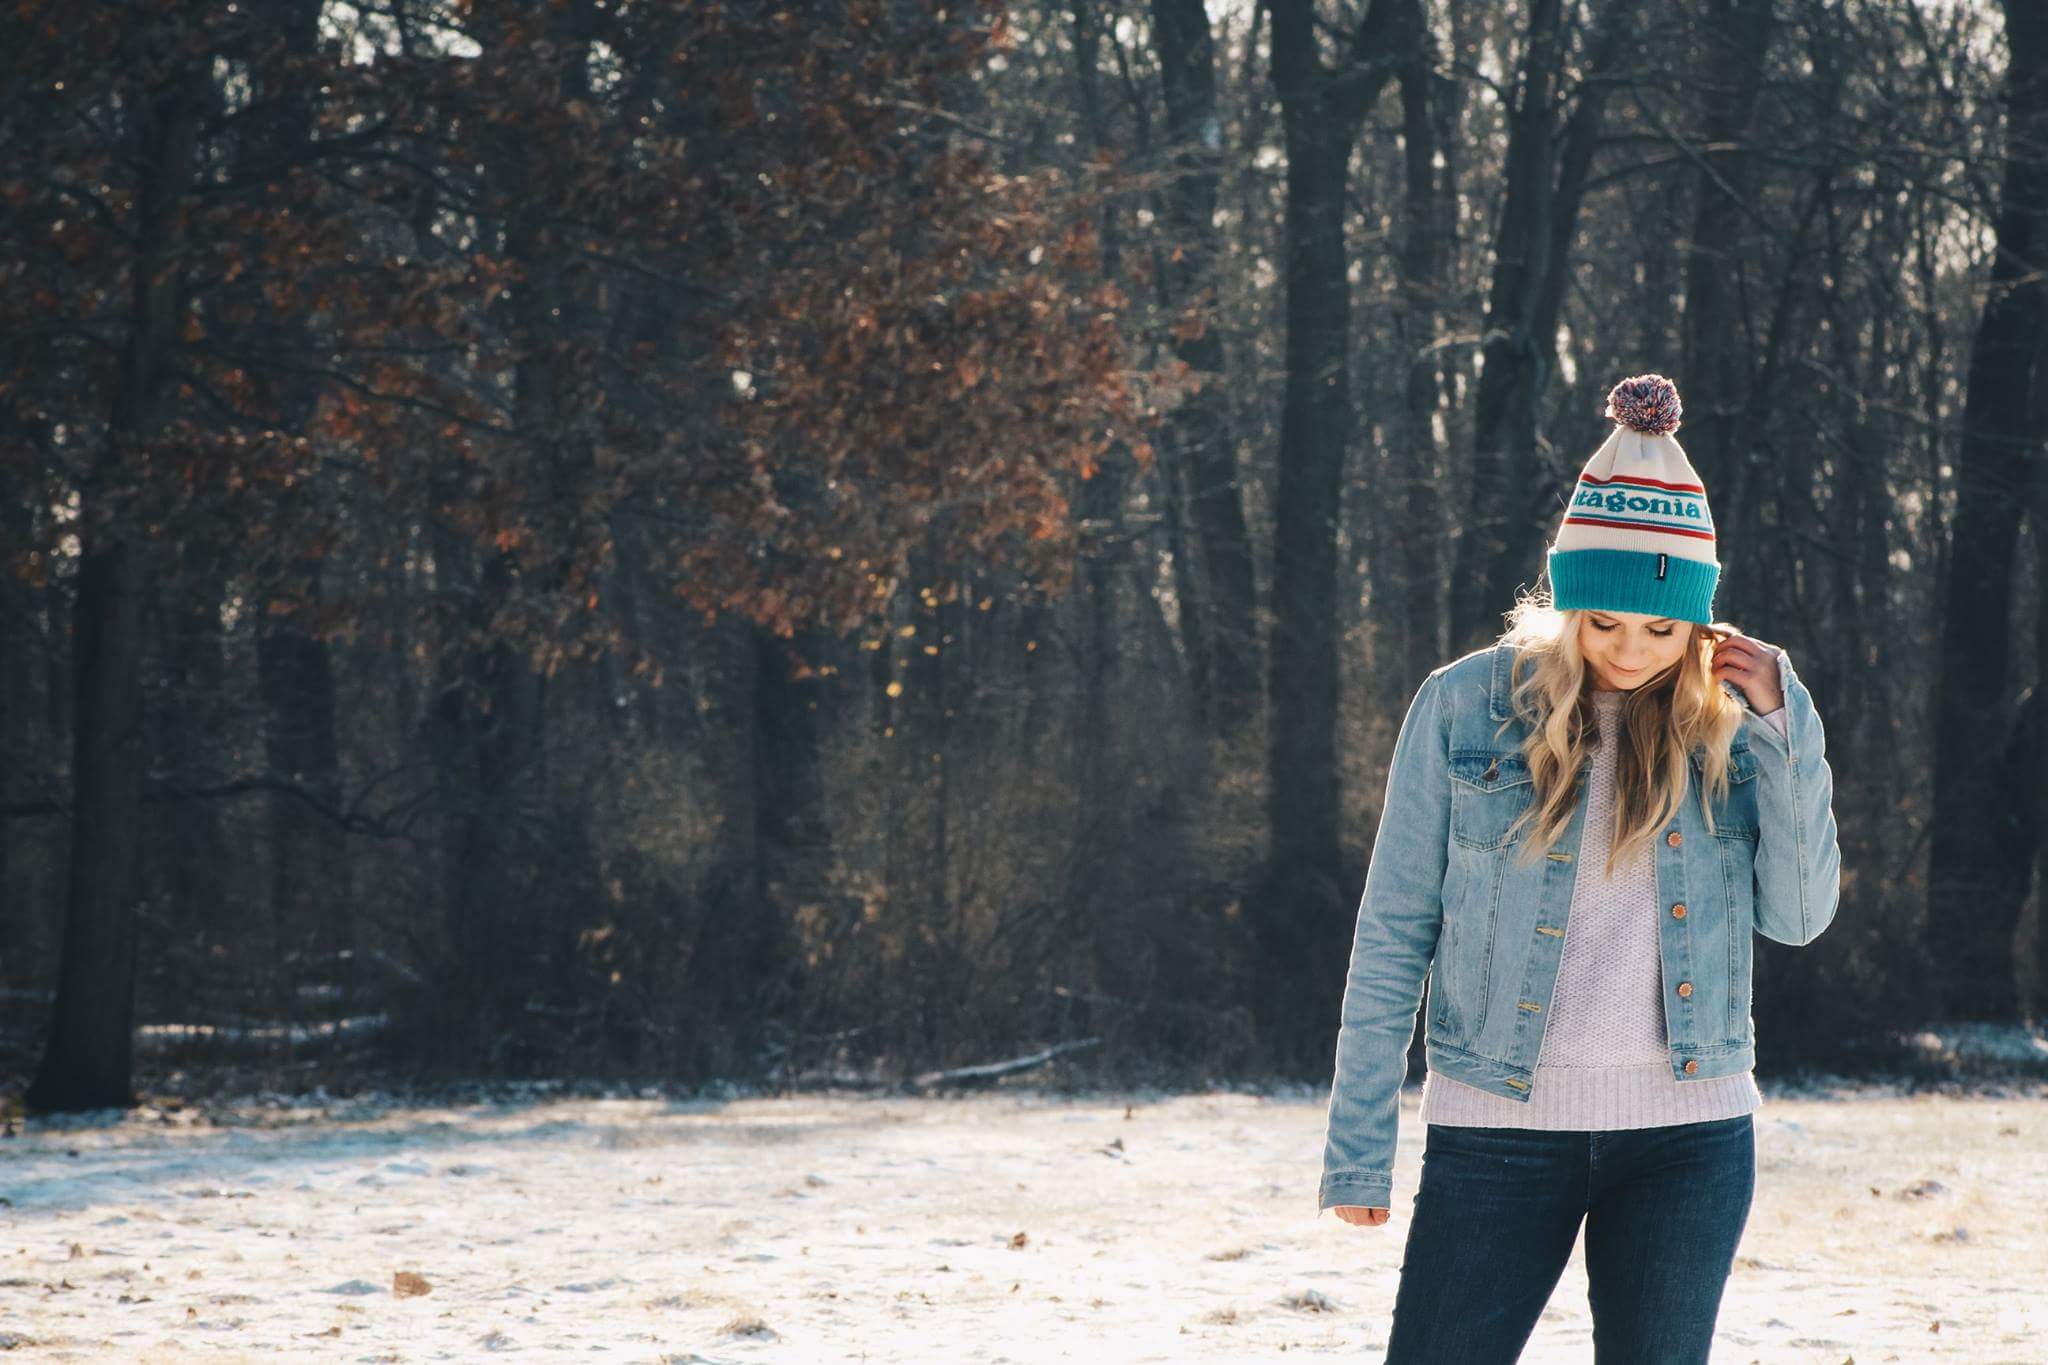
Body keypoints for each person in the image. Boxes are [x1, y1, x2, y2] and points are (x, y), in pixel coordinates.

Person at [1316, 373, 1842, 1364]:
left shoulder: (1734, 727)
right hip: (1496, 1131)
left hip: (1689, 1142)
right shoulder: (1463, 707)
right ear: (1566, 605)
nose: (1632, 651)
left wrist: (1785, 730)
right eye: (1604, 622)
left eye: (1661, 628)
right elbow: (1392, 930)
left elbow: (1800, 915)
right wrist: (1358, 1148)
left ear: (1697, 622)